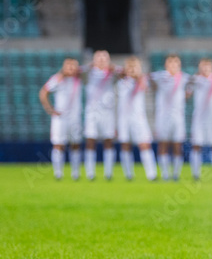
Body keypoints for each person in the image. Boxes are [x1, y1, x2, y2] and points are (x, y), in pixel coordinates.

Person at [39, 58, 83, 180]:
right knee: (58, 144)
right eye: (68, 66)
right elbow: (43, 92)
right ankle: (58, 173)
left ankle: (75, 173)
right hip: (60, 118)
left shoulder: (79, 78)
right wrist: (50, 109)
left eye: (73, 66)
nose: (71, 68)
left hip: (75, 117)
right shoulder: (57, 79)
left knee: (76, 144)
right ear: (63, 67)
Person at [116, 56, 158, 181]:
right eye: (130, 67)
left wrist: (141, 77)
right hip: (124, 119)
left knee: (145, 144)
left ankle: (152, 174)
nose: (132, 69)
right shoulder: (121, 83)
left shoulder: (142, 81)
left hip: (139, 118)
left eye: (135, 67)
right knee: (125, 145)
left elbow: (146, 87)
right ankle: (128, 174)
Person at [150, 53, 189, 181]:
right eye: (170, 62)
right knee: (163, 144)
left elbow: (190, 90)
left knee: (178, 145)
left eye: (175, 62)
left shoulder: (184, 77)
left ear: (179, 65)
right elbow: (147, 79)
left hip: (178, 117)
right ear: (166, 64)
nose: (173, 65)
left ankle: (176, 174)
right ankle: (165, 173)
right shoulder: (160, 76)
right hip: (163, 116)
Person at [82, 50, 119, 180]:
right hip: (91, 112)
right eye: (99, 57)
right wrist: (90, 65)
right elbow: (75, 71)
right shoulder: (88, 72)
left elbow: (126, 72)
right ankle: (90, 173)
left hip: (108, 112)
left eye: (105, 57)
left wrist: (112, 67)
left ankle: (108, 173)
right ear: (94, 59)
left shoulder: (113, 72)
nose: (102, 60)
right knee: (90, 141)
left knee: (108, 141)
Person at [188, 58, 212, 181]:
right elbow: (187, 95)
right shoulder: (195, 80)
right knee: (197, 145)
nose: (205, 69)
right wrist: (190, 82)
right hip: (199, 117)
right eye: (203, 66)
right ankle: (196, 174)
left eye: (208, 66)